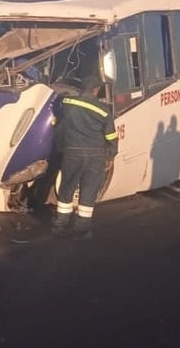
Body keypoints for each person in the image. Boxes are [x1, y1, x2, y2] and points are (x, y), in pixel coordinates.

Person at [50, 75, 118, 241]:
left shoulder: (67, 103)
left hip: (72, 152)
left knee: (66, 189)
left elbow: (59, 129)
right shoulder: (103, 109)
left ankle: (60, 227)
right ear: (96, 90)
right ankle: (81, 231)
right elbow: (111, 136)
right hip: (96, 155)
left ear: (81, 88)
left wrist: (61, 148)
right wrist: (110, 156)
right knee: (88, 192)